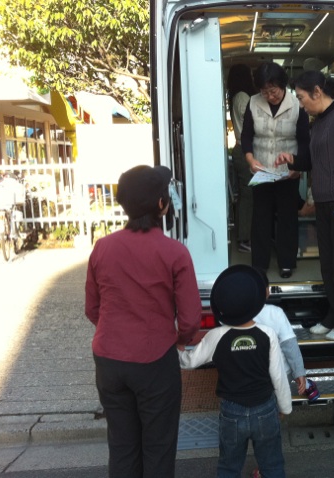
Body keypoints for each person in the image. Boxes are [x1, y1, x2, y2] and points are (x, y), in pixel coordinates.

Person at [85, 165, 202, 478]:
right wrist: (178, 338)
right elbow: (190, 320)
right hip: (154, 360)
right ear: (162, 205)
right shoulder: (175, 253)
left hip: (108, 359)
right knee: (158, 448)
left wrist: (115, 331)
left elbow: (92, 308)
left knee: (122, 446)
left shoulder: (102, 248)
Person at [275, 70, 334, 341]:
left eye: (302, 97)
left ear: (317, 92)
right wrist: (290, 159)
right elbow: (311, 162)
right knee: (327, 265)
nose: (301, 103)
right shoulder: (316, 123)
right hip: (324, 204)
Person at [178, 265, 292, 478]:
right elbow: (278, 376)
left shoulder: (216, 336)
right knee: (272, 464)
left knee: (229, 467)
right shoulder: (267, 335)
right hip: (265, 409)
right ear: (257, 304)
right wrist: (285, 406)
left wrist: (179, 351)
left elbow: (190, 362)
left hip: (232, 412)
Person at [240, 62, 311, 278]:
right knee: (261, 217)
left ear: (282, 85)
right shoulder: (253, 103)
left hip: (287, 172)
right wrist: (250, 159)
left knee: (287, 217)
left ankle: (286, 262)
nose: (270, 96)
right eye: (265, 92)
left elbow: (305, 141)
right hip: (261, 170)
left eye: (274, 91)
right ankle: (260, 264)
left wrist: (298, 166)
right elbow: (246, 136)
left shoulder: (297, 104)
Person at [254, 268, 320, 402]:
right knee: (280, 404)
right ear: (268, 291)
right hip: (280, 374)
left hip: (252, 376)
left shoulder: (237, 317)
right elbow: (289, 346)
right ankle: (306, 385)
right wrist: (299, 373)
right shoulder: (276, 313)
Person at [227, 64, 257, 253]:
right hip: (246, 150)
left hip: (239, 148)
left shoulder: (236, 96)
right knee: (249, 195)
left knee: (246, 193)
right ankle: (245, 237)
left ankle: (244, 235)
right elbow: (253, 125)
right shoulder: (244, 98)